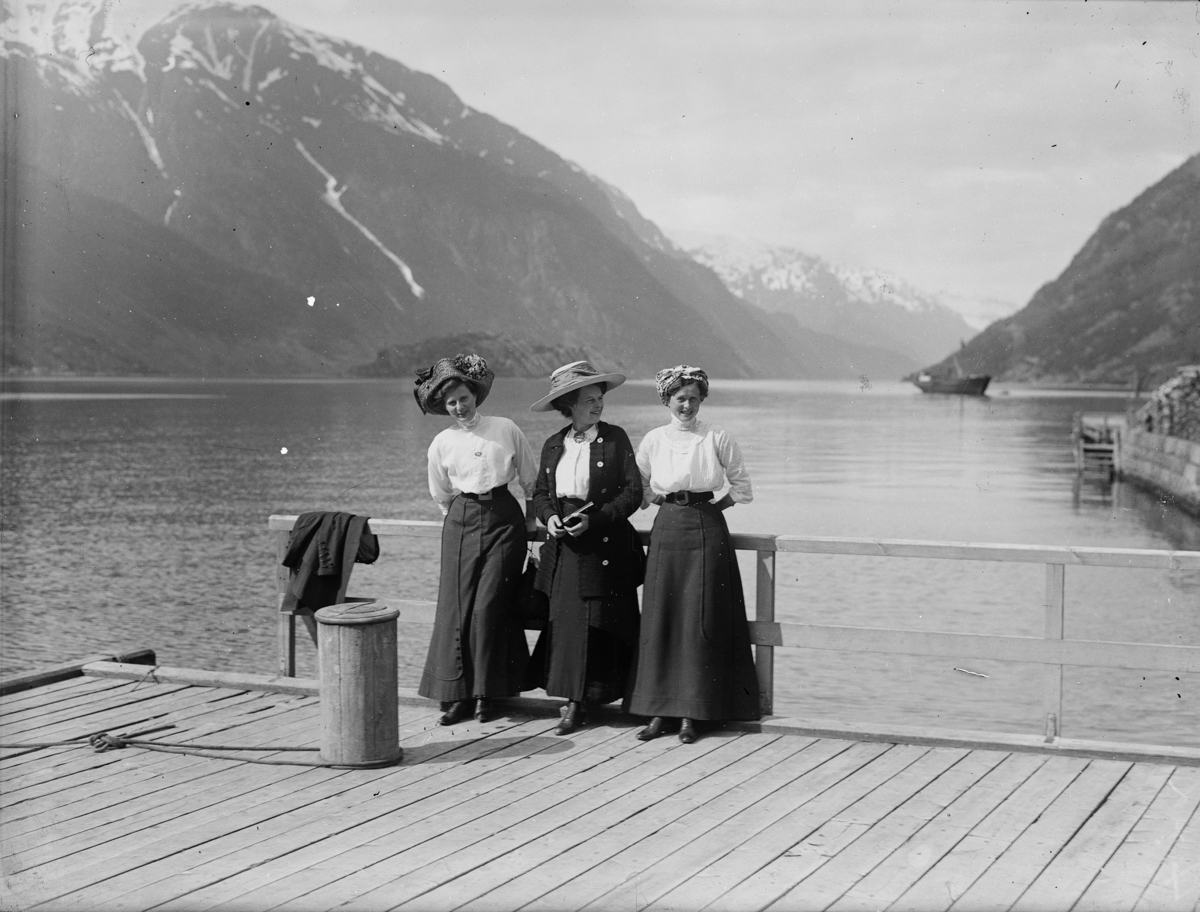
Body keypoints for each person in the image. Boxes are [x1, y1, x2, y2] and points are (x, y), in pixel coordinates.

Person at [626, 364, 761, 743]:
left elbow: (742, 485)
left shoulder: (716, 436)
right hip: (667, 526)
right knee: (662, 616)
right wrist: (656, 499)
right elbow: (635, 480)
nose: (687, 405)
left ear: (702, 399)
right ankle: (658, 711)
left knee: (699, 618)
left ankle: (692, 712)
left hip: (706, 527)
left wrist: (717, 509)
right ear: (667, 400)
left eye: (693, 398)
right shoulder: (653, 439)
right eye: (679, 398)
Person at [414, 354, 536, 724]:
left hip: (504, 519)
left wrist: (531, 525)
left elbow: (531, 482)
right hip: (461, 521)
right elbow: (441, 494)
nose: (459, 407)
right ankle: (457, 697)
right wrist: (459, 521)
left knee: (489, 606)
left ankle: (487, 693)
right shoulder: (441, 443)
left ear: (475, 395)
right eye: (451, 402)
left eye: (463, 398)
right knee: (457, 609)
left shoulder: (505, 428)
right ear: (444, 406)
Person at [528, 361, 644, 736]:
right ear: (570, 405)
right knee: (566, 625)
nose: (598, 406)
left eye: (599, 399)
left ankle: (597, 699)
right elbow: (541, 493)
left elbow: (633, 493)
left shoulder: (615, 438)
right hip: (564, 547)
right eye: (590, 400)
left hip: (603, 543)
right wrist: (549, 519)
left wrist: (596, 519)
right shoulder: (553, 444)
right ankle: (571, 702)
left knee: (601, 622)